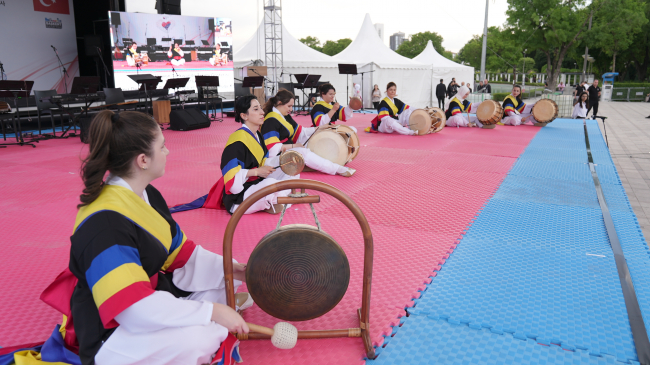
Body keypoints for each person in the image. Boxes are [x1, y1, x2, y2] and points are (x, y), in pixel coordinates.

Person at [44, 110, 252, 365]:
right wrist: (212, 311)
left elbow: (183, 256)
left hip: (149, 295)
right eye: (162, 146)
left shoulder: (148, 194)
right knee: (197, 339)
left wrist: (237, 270)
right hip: (111, 330)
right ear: (143, 160)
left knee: (228, 283)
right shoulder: (105, 223)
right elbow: (131, 307)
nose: (167, 152)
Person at [220, 95, 297, 214]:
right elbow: (232, 179)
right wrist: (256, 172)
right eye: (256, 109)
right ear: (244, 115)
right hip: (239, 198)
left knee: (292, 169)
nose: (262, 112)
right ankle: (276, 199)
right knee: (270, 184)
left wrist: (283, 163)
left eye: (261, 108)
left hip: (257, 183)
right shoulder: (237, 141)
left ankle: (273, 200)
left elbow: (262, 162)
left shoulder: (258, 135)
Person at [262, 89, 356, 177]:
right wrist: (295, 146)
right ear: (279, 103)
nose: (291, 109)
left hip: (290, 145)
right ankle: (337, 168)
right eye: (289, 106)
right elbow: (272, 150)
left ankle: (335, 160)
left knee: (317, 138)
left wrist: (320, 128)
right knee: (304, 152)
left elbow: (300, 132)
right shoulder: (271, 120)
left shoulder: (284, 115)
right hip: (279, 156)